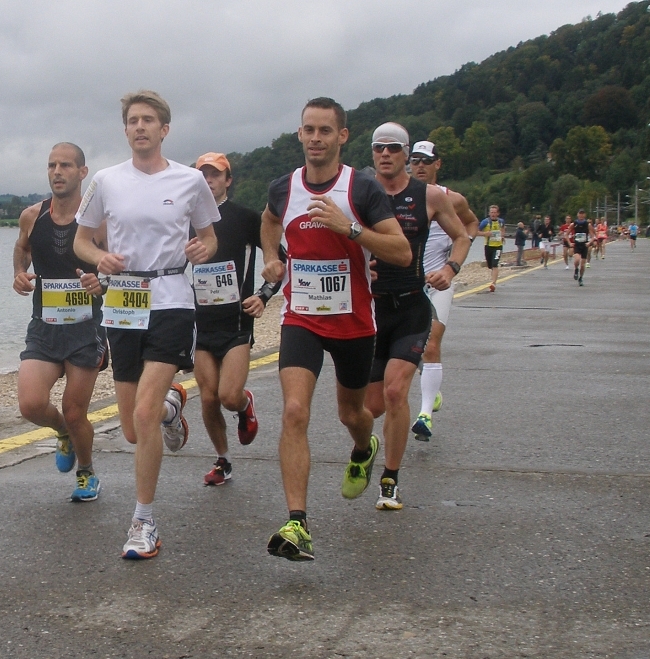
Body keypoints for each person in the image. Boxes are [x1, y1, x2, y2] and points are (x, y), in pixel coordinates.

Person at [261, 97, 411, 561]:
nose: (315, 139)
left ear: (342, 136)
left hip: (353, 323)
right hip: (301, 317)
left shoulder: (361, 189)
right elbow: (269, 222)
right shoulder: (284, 188)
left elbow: (401, 252)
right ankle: (297, 523)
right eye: (308, 130)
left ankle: (363, 449)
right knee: (293, 411)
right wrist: (271, 257)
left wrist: (351, 231)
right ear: (300, 134)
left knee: (353, 413)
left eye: (325, 131)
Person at [74, 90, 220, 559]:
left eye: (149, 120)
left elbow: (209, 238)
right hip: (123, 301)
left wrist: (203, 250)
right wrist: (100, 257)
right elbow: (81, 240)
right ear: (125, 130)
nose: (140, 127)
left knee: (141, 413)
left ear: (164, 130)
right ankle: (172, 410)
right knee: (136, 428)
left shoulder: (190, 180)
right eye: (133, 120)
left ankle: (144, 522)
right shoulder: (106, 180)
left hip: (173, 298)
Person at [366, 124, 470, 510]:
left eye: (394, 148)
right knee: (370, 408)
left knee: (396, 392)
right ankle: (367, 443)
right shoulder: (360, 192)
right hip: (370, 309)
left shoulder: (430, 196)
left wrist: (452, 269)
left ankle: (390, 480)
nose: (386, 155)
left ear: (405, 154)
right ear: (372, 153)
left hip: (412, 305)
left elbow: (462, 235)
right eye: (379, 148)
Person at [13, 143, 107, 502]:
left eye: (66, 165)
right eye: (52, 165)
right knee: (31, 404)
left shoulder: (98, 222)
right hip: (44, 327)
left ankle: (86, 472)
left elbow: (119, 267)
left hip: (86, 329)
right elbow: (22, 248)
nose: (57, 171)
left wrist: (102, 284)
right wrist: (20, 273)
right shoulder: (32, 216)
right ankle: (63, 432)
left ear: (82, 172)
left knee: (75, 409)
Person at [191, 152, 281, 486]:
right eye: (202, 175)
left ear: (228, 180)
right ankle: (223, 461)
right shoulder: (185, 219)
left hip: (237, 324)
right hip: (201, 323)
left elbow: (277, 260)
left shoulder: (245, 217)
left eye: (215, 175)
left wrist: (263, 296)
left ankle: (245, 406)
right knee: (209, 397)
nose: (208, 180)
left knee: (229, 396)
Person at [407, 141, 478, 442]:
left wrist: (455, 259)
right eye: (415, 160)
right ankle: (430, 387)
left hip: (439, 283)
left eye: (427, 160)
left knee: (432, 344)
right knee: (409, 348)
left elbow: (472, 223)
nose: (420, 166)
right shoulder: (399, 197)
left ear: (438, 164)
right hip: (406, 283)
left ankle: (424, 416)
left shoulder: (453, 199)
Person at [478, 205, 504, 291]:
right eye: (491, 212)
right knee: (490, 265)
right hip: (488, 246)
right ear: (489, 213)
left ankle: (493, 283)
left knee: (495, 264)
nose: (493, 214)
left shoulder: (501, 221)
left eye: (494, 212)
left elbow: (503, 229)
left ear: (498, 213)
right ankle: (493, 276)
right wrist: (485, 234)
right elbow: (475, 231)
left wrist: (502, 236)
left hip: (498, 247)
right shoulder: (485, 222)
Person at [569, 209, 595, 287]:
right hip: (577, 244)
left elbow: (593, 236)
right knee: (577, 260)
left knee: (583, 265)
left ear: (584, 215)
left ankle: (581, 278)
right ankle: (576, 269)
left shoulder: (588, 225)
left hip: (584, 245)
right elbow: (566, 234)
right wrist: (570, 242)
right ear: (577, 215)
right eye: (580, 214)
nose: (581, 216)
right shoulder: (574, 224)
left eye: (582, 214)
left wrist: (589, 242)